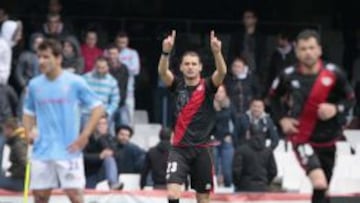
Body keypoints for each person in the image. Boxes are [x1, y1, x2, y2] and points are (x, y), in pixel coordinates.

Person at [268, 30, 355, 203]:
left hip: (329, 139)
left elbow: (350, 100)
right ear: (297, 51)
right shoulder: (288, 74)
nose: (308, 52)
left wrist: (335, 108)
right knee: (319, 182)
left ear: (319, 50)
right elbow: (272, 98)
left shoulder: (334, 73)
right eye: (303, 49)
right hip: (303, 138)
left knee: (323, 190)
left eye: (311, 48)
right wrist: (282, 119)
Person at [23, 39, 104, 203]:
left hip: (69, 150)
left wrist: (85, 135)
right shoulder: (34, 85)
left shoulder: (75, 82)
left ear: (58, 58)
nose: (41, 61)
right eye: (39, 57)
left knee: (75, 195)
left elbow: (98, 108)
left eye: (46, 57)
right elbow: (28, 112)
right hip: (42, 150)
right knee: (40, 197)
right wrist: (27, 132)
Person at [159, 30, 227, 203]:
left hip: (202, 150)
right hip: (179, 149)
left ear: (200, 67)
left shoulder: (208, 86)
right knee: (173, 194)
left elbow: (222, 72)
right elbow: (162, 72)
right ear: (181, 67)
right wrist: (166, 52)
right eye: (187, 64)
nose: (190, 67)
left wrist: (217, 52)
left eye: (194, 64)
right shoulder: (177, 86)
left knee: (203, 199)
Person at [83, 115, 123, 189]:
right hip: (90, 171)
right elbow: (83, 156)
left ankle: (113, 183)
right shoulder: (86, 139)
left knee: (109, 158)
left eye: (104, 123)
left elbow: (118, 155)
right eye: (99, 124)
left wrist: (102, 138)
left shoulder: (110, 139)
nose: (102, 126)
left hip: (104, 171)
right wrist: (99, 156)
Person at [229, 10, 267, 86]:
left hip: (256, 71)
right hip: (240, 70)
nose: (246, 19)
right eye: (245, 17)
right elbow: (232, 52)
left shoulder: (260, 37)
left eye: (249, 17)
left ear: (255, 19)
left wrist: (261, 70)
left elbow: (263, 55)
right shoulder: (237, 35)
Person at [82, 56, 119, 126]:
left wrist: (107, 112)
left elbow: (115, 101)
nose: (100, 70)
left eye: (103, 68)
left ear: (108, 67)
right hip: (86, 113)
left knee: (107, 128)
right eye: (98, 67)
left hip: (103, 114)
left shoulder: (112, 81)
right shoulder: (85, 79)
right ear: (94, 66)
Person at [212, 85, 235, 187]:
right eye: (217, 92)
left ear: (225, 93)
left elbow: (236, 123)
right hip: (213, 140)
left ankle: (228, 186)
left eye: (221, 92)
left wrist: (231, 135)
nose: (219, 94)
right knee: (214, 167)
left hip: (226, 140)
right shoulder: (209, 106)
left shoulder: (230, 106)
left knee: (227, 169)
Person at [115, 32, 140, 125]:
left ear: (127, 42)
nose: (121, 45)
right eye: (119, 42)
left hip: (128, 89)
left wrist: (121, 66)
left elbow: (136, 70)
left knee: (129, 112)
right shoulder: (111, 52)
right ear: (116, 42)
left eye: (124, 42)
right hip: (114, 88)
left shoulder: (133, 53)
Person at [0, 118, 26, 191]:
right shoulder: (14, 142)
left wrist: (14, 173)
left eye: (4, 130)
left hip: (20, 182)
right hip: (17, 179)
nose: (4, 133)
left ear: (10, 129)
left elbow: (25, 163)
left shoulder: (18, 144)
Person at [106, 44, 130, 126]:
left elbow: (123, 86)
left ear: (118, 54)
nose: (112, 56)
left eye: (114, 53)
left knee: (125, 125)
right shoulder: (104, 68)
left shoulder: (124, 68)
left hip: (121, 103)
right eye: (110, 53)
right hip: (108, 104)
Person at [0, 20, 22, 85]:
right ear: (9, 32)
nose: (19, 37)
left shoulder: (6, 46)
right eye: (16, 33)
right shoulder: (2, 45)